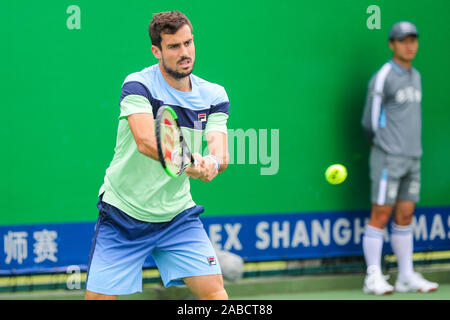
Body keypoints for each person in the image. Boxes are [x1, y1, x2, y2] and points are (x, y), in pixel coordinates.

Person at [85, 10, 230, 300]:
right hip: (123, 214)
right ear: (157, 51)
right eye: (174, 46)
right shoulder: (138, 84)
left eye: (188, 43)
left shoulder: (214, 95)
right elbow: (146, 141)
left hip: (177, 216)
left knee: (215, 293)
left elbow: (220, 150)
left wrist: (211, 164)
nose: (184, 52)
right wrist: (191, 164)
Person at [361, 21, 438, 295]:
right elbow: (370, 120)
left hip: (412, 158)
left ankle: (405, 275)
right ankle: (373, 277)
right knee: (380, 214)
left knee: (405, 215)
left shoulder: (415, 75)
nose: (410, 45)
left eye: (413, 39)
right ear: (392, 44)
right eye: (403, 40)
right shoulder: (384, 76)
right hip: (388, 157)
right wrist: (379, 146)